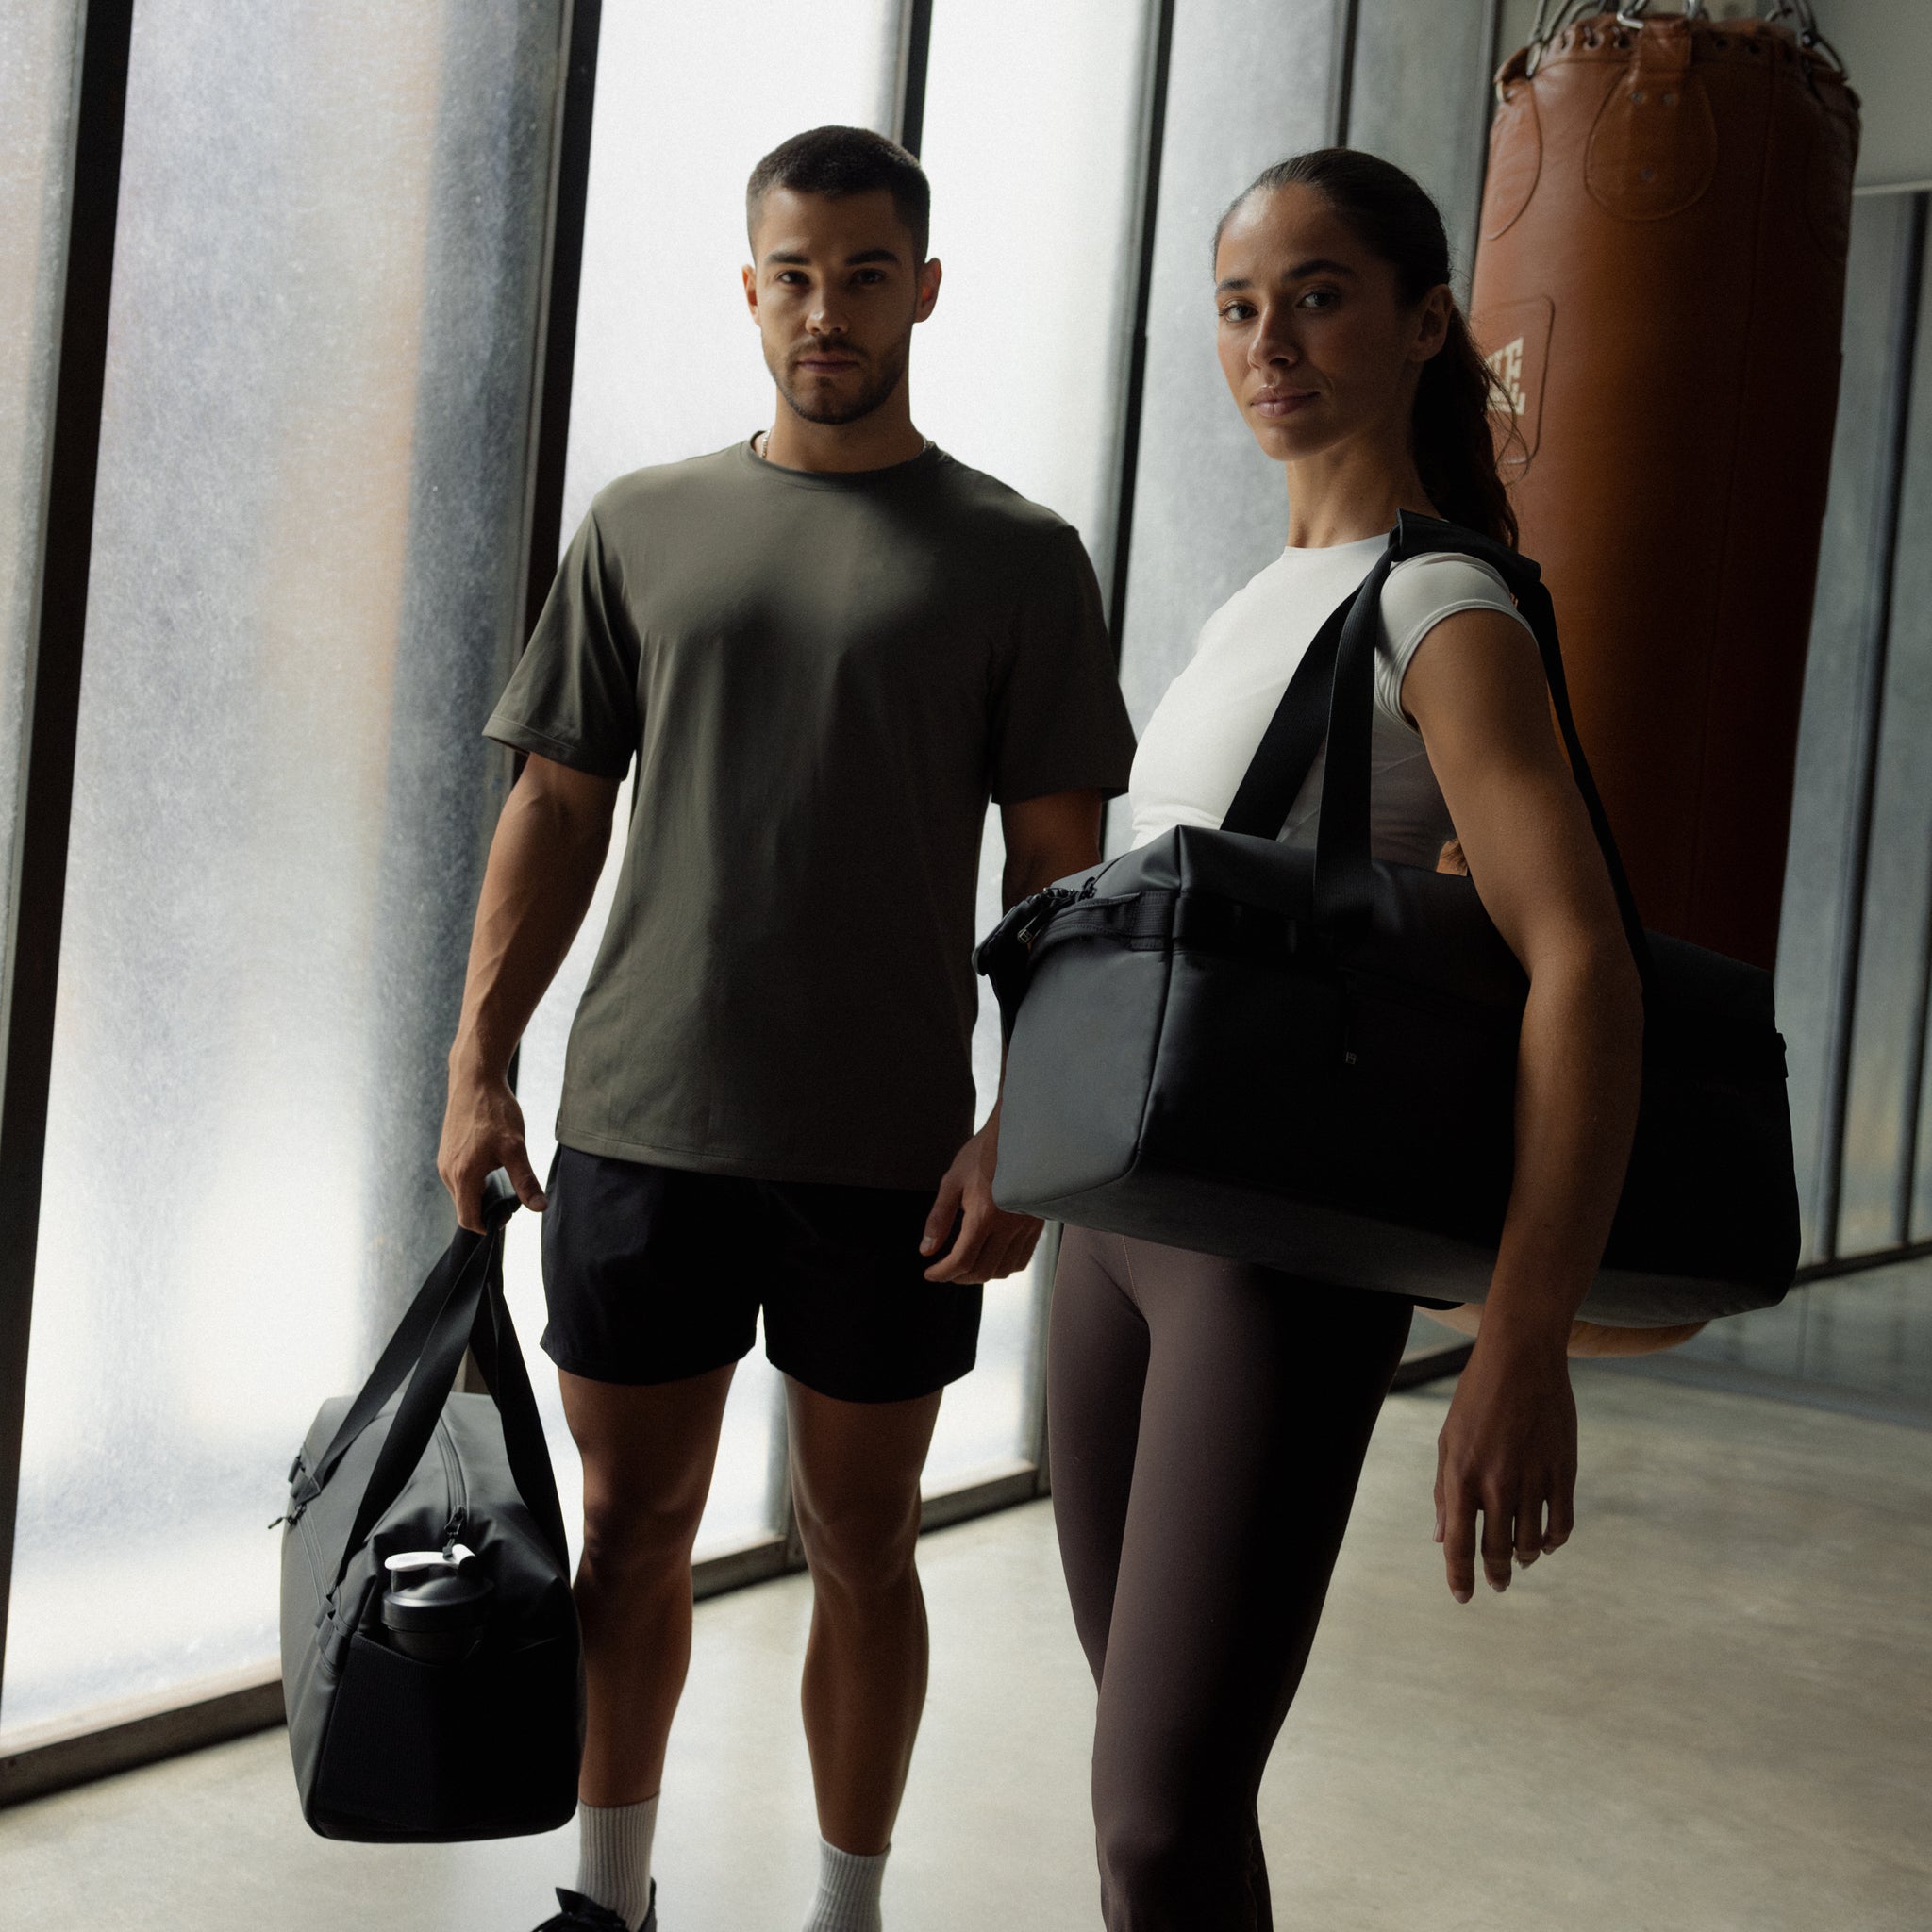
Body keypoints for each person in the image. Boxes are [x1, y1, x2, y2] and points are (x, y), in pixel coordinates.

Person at [438, 125, 1135, 1932]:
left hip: (886, 1152)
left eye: (865, 273)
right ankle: (609, 1901)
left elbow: (1064, 877)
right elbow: (554, 808)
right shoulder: (644, 523)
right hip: (646, 1122)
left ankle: (846, 1914)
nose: (829, 309)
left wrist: (1025, 1129)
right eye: (796, 275)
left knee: (862, 1544)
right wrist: (476, 1062)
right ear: (751, 288)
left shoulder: (1017, 557)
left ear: (923, 286)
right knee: (632, 1533)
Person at [1043, 148, 1645, 1929]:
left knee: (1158, 1822)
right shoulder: (1255, 600)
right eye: (1239, 304)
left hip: (1273, 1267)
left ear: (1427, 318)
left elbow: (1586, 969)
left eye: (1317, 293)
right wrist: (1024, 1141)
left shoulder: (1437, 604)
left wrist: (1522, 1335)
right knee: (1155, 1803)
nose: (1269, 339)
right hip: (1114, 1244)